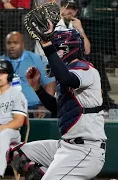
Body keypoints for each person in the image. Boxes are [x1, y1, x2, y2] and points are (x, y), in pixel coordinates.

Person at [7, 29, 106, 179]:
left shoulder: (85, 69)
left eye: (56, 49)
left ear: (68, 49)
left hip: (86, 150)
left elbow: (67, 78)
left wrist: (47, 44)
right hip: (66, 145)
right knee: (17, 154)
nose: (52, 55)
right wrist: (38, 88)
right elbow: (57, 109)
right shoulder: (67, 73)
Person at [0, 31, 56, 118]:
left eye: (15, 43)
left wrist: (45, 106)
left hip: (34, 108)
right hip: (6, 108)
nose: (12, 46)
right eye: (9, 43)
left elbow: (50, 83)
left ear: (23, 44)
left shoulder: (37, 59)